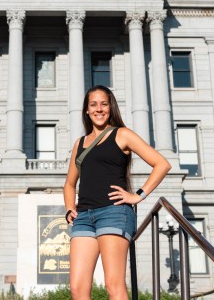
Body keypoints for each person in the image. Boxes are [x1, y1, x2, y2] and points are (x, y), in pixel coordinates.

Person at [63, 85, 171, 300]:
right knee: (77, 288)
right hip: (83, 217)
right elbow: (69, 184)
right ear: (86, 110)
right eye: (93, 104)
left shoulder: (122, 134)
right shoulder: (80, 144)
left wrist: (138, 195)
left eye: (104, 104)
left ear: (110, 108)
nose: (99, 109)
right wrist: (69, 209)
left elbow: (162, 164)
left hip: (114, 213)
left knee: (113, 285)